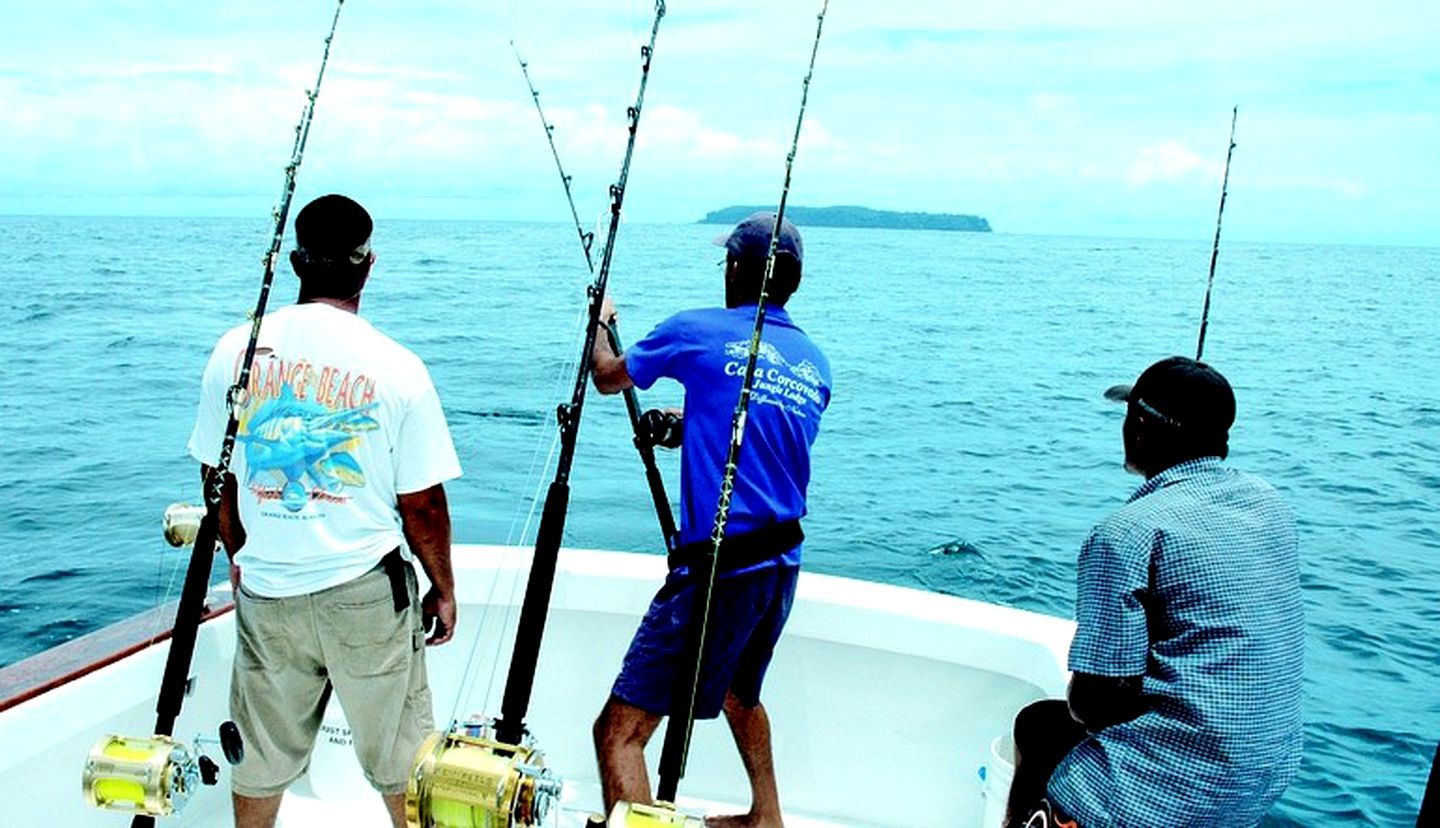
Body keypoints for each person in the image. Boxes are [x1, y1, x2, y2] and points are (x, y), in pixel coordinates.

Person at [187, 194, 461, 828]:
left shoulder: (234, 350)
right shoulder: (399, 367)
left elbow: (215, 473)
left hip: (267, 595)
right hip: (365, 597)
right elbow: (421, 505)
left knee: (259, 762)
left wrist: (240, 554)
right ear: (368, 267)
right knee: (403, 764)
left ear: (293, 263)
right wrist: (443, 588)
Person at [589, 212, 832, 826]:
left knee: (618, 732)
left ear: (733, 270)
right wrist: (683, 422)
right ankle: (766, 816)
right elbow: (754, 431)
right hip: (781, 565)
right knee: (738, 692)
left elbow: (607, 378)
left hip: (720, 572)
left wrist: (601, 324)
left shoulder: (695, 330)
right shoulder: (813, 364)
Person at [1005, 356, 1304, 828]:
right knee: (1051, 724)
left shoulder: (1126, 534)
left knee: (1041, 730)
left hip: (1168, 790)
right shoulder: (1271, 505)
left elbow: (1095, 704)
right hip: (1262, 775)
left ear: (1139, 429)